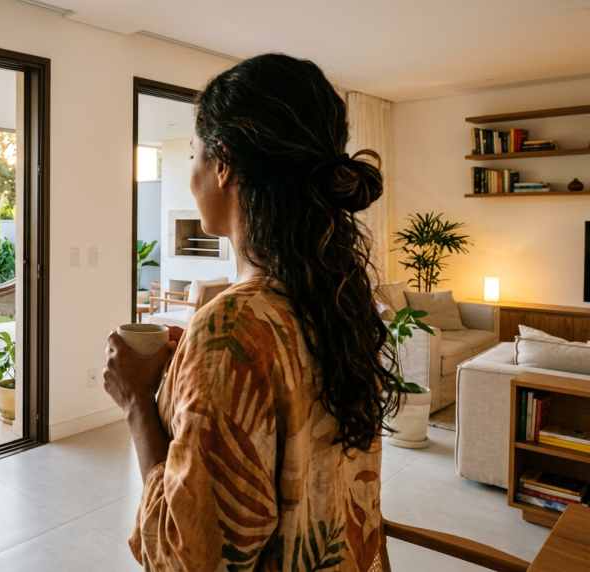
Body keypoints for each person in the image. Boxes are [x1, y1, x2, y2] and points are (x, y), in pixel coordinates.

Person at [103, 53, 397, 572]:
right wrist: (197, 374)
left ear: (223, 165)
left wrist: (137, 403)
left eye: (193, 153)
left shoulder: (235, 326)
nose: (191, 174)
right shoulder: (337, 299)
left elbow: (182, 559)